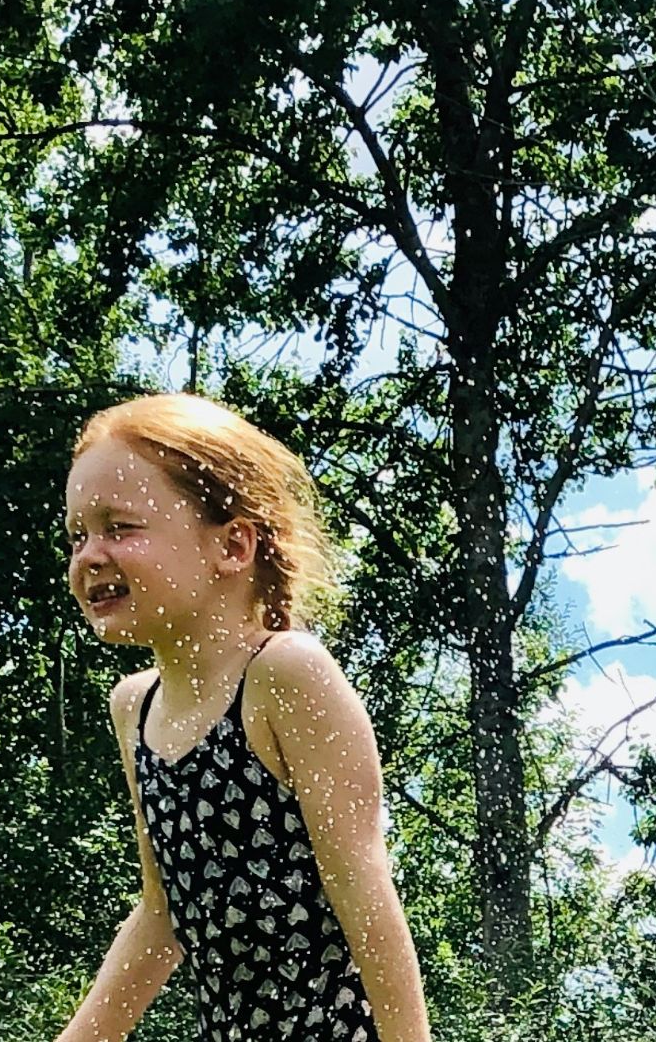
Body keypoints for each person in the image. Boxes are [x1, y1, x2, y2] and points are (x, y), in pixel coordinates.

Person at [54, 391, 431, 1042]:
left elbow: (364, 892)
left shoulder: (283, 675)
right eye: (78, 535)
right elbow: (162, 915)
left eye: (120, 527)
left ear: (232, 545)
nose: (89, 555)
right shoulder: (134, 709)